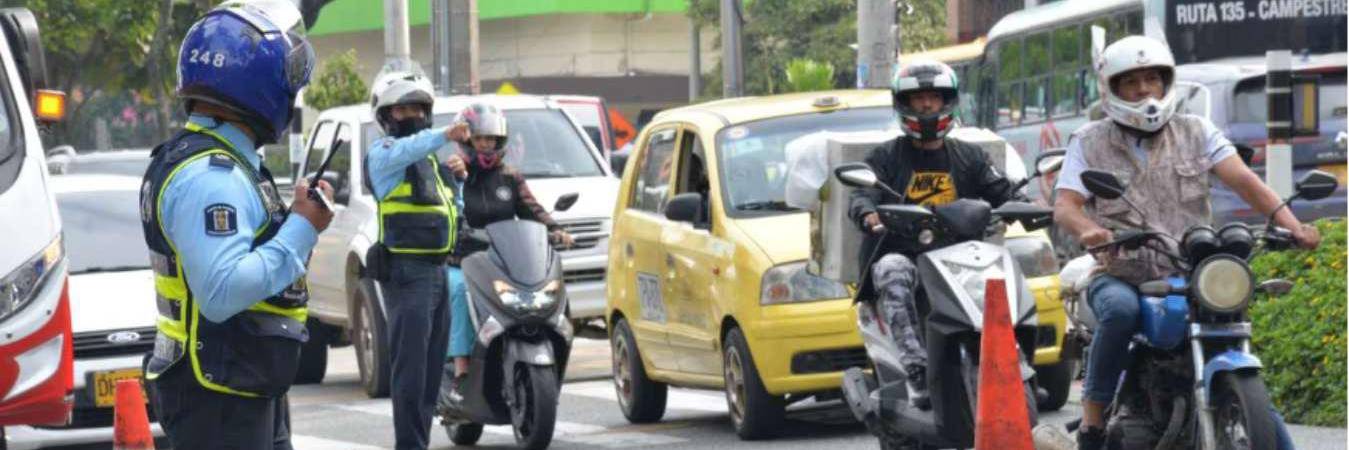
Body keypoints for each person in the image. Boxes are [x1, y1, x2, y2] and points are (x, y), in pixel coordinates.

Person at [1053, 35, 1318, 450]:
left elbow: (1245, 181)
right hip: (1122, 270)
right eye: (1132, 83)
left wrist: (1293, 225)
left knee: (1228, 331)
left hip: (1192, 269)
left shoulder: (1197, 131)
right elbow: (1066, 206)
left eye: (1153, 79)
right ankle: (1092, 422)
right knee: (1120, 312)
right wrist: (1089, 229)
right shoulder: (1089, 140)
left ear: (1167, 82)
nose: (1145, 91)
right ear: (1112, 90)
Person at [139, 1, 326, 449]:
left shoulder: (224, 163)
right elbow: (222, 293)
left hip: (238, 379)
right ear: (256, 87)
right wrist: (302, 228)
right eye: (286, 86)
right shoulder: (210, 177)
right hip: (219, 400)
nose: (290, 99)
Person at [848, 59, 1025, 409]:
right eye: (918, 99)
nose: (927, 105)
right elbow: (862, 193)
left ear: (948, 101)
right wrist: (869, 214)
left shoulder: (969, 157)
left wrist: (1025, 204)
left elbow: (1001, 190)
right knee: (891, 270)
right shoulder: (885, 157)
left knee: (1005, 270)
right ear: (904, 104)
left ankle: (1017, 358)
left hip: (961, 257)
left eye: (933, 97)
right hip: (906, 252)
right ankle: (915, 368)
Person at [437, 103, 573, 408]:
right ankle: (460, 371)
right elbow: (443, 210)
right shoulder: (455, 174)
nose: (486, 145)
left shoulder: (510, 177)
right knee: (458, 291)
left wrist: (555, 230)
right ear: (466, 140)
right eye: (480, 138)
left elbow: (532, 210)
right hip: (463, 260)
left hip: (503, 260)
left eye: (491, 139)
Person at [365, 70, 463, 450]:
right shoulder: (385, 154)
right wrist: (443, 136)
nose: (413, 115)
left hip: (437, 271)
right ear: (388, 116)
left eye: (419, 108)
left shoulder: (431, 162)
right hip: (407, 274)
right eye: (403, 108)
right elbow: (409, 148)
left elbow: (452, 213)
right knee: (410, 373)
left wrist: (459, 182)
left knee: (430, 372)